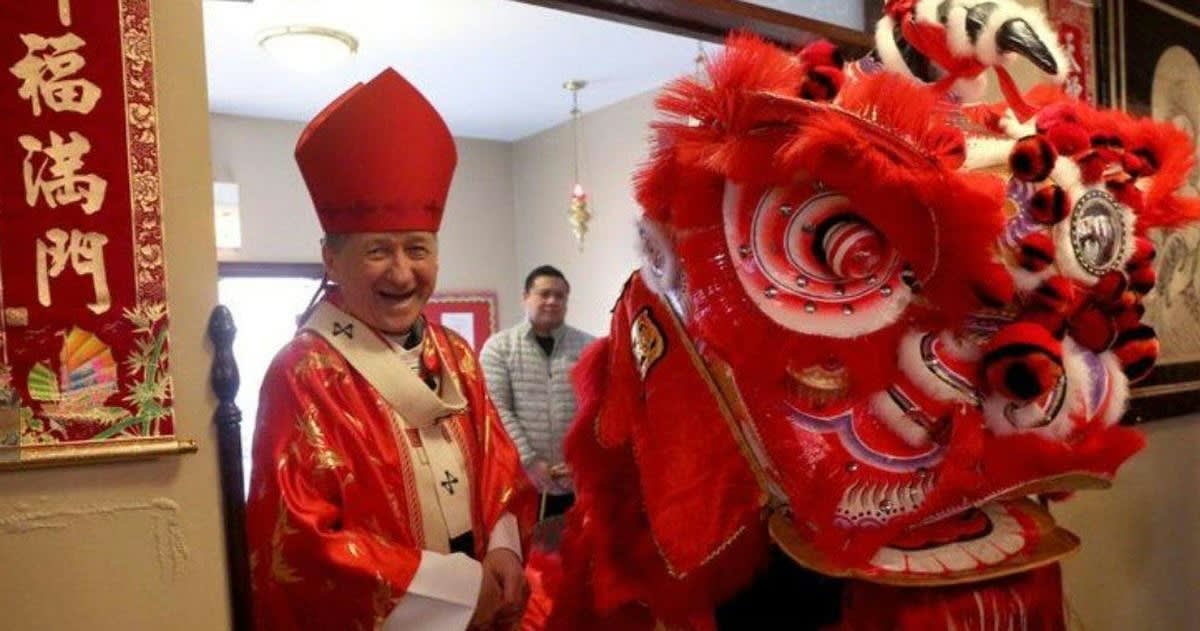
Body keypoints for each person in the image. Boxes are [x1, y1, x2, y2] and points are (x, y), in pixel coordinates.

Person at [244, 68, 537, 631]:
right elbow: (301, 545)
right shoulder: (301, 375)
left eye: (418, 249)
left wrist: (504, 548)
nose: (402, 274)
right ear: (331, 259)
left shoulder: (456, 355)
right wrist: (458, 593)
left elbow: (499, 467)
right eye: (378, 251)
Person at [480, 266, 594, 519]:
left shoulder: (589, 347)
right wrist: (529, 461)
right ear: (526, 297)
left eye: (559, 296)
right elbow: (497, 408)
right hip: (521, 480)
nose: (552, 301)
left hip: (578, 479)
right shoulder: (498, 348)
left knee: (578, 543)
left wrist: (581, 460)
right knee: (528, 544)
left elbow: (595, 410)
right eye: (544, 294)